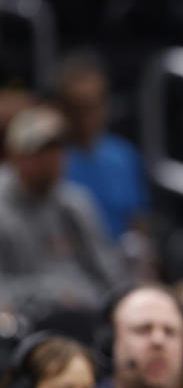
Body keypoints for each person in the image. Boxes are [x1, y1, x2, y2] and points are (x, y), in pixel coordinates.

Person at [0, 105, 123, 321]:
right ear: (15, 155)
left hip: (82, 317)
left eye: (56, 150)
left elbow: (109, 276)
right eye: (40, 152)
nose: (51, 160)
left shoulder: (75, 203)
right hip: (21, 324)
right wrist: (51, 293)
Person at [57, 51, 150, 241]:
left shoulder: (125, 155)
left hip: (119, 262)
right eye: (76, 108)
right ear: (62, 108)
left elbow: (138, 223)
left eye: (92, 106)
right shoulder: (50, 157)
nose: (84, 119)